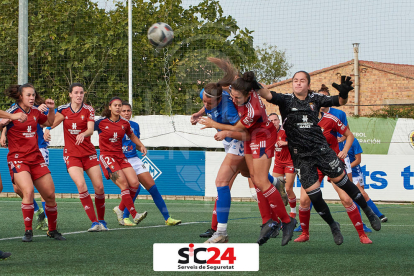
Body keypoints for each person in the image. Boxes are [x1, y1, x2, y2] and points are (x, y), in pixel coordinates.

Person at [255, 73, 381, 245]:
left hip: (322, 151)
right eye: (295, 81)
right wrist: (253, 82)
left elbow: (340, 101)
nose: (298, 83)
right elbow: (266, 93)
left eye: (302, 81)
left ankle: (368, 211)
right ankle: (333, 225)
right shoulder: (284, 100)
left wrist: (344, 94)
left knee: (344, 184)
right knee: (314, 196)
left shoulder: (317, 99)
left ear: (308, 85)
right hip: (301, 157)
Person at [200, 66, 297, 246]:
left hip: (261, 136)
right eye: (232, 96)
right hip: (249, 137)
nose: (234, 100)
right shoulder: (238, 89)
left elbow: (239, 129)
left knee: (258, 180)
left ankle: (286, 220)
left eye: (237, 98)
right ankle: (270, 217)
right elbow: (231, 87)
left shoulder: (253, 111)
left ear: (247, 94)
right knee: (252, 177)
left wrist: (217, 127)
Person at [294, 109, 372, 244]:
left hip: (333, 162)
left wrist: (345, 151)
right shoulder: (301, 122)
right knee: (304, 201)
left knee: (346, 198)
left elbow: (350, 135)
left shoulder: (331, 119)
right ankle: (305, 233)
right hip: (313, 165)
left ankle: (362, 234)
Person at [4, 83, 65, 241]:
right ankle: (28, 231)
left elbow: (49, 123)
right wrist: (11, 118)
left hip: (36, 158)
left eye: (33, 95)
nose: (32, 98)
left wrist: (51, 109)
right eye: (28, 95)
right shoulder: (12, 111)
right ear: (20, 96)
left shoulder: (36, 112)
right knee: (28, 191)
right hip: (18, 159)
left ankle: (52, 230)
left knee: (50, 195)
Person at [114, 101, 181, 226]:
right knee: (135, 188)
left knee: (153, 188)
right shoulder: (114, 126)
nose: (126, 113)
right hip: (122, 161)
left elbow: (135, 143)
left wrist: (142, 148)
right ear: (118, 112)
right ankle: (125, 217)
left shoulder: (135, 125)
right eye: (124, 111)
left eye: (128, 111)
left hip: (135, 159)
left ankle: (168, 218)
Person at [51, 83, 107, 232]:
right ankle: (94, 222)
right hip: (72, 155)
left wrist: (83, 133)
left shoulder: (89, 109)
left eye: (81, 92)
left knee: (99, 187)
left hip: (89, 153)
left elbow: (90, 129)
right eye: (76, 92)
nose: (79, 95)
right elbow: (52, 123)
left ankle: (102, 220)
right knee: (81, 185)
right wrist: (46, 129)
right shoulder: (63, 110)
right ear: (70, 94)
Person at [95, 96, 147, 225]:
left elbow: (131, 135)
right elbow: (87, 128)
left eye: (119, 105)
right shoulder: (100, 122)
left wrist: (141, 145)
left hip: (120, 156)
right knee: (124, 184)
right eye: (115, 105)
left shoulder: (124, 123)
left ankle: (120, 209)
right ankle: (134, 215)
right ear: (110, 107)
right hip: (107, 157)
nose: (118, 107)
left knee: (134, 184)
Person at [348, 137, 388, 222]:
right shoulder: (336, 141)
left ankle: (365, 218)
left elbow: (358, 160)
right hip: (350, 174)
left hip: (357, 172)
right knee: (362, 194)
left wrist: (347, 167)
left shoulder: (353, 140)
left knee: (360, 196)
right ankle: (378, 215)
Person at [269, 113, 296, 215]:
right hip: (278, 164)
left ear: (279, 121)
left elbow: (297, 141)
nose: (274, 122)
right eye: (271, 121)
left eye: (275, 120)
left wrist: (286, 143)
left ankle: (293, 214)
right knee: (276, 190)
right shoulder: (268, 133)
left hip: (290, 162)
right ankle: (280, 217)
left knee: (288, 189)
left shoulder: (285, 130)